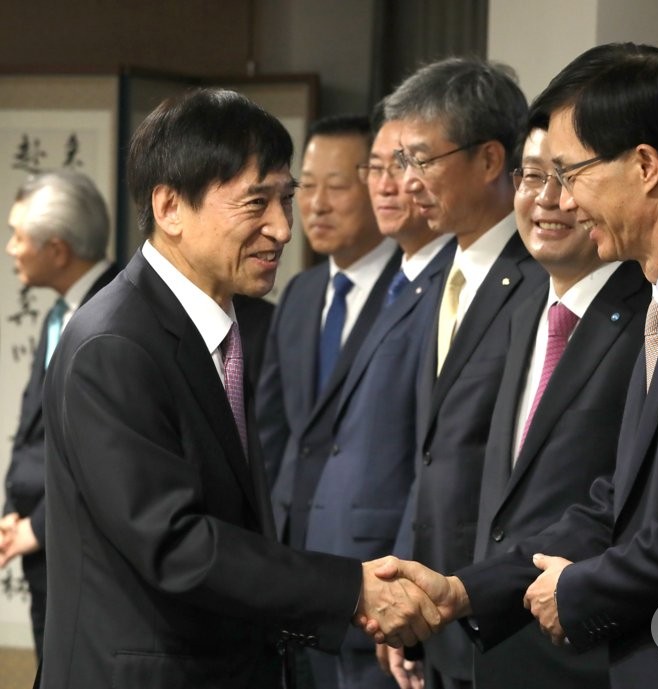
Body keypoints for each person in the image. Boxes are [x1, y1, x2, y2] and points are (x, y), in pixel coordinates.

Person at [371, 43, 658, 688]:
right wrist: (464, 590)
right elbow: (616, 502)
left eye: (572, 173)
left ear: (646, 167)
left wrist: (577, 590)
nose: (564, 200)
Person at [39, 88, 440, 689]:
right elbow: (175, 544)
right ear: (170, 207)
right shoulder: (115, 344)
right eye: (256, 202)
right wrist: (349, 588)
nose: (282, 228)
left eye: (285, 199)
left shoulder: (223, 326)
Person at [462, 109, 648, 689]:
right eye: (531, 176)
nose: (546, 199)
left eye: (565, 177)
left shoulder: (652, 317)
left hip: (588, 652)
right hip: (497, 642)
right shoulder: (519, 310)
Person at [384, 57, 546, 689]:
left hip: (502, 618)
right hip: (436, 618)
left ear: (489, 160)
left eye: (422, 160)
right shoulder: (438, 277)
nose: (407, 181)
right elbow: (428, 459)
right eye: (402, 161)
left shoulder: (542, 280)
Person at [302, 108, 455, 689]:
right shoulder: (392, 283)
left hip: (393, 580)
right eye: (376, 169)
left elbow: (431, 453)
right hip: (326, 577)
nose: (390, 184)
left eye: (407, 164)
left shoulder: (446, 285)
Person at [257, 115, 400, 553]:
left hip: (371, 546)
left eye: (336, 187)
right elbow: (271, 429)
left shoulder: (414, 289)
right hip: (287, 536)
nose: (316, 205)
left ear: (380, 185)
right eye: (306, 187)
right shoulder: (300, 292)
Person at [1, 171, 118, 656]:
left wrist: (37, 525)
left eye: (18, 236)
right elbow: (35, 428)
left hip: (85, 551)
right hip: (42, 542)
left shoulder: (115, 313)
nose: (10, 248)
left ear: (57, 250)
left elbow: (105, 455)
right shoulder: (61, 311)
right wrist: (15, 511)